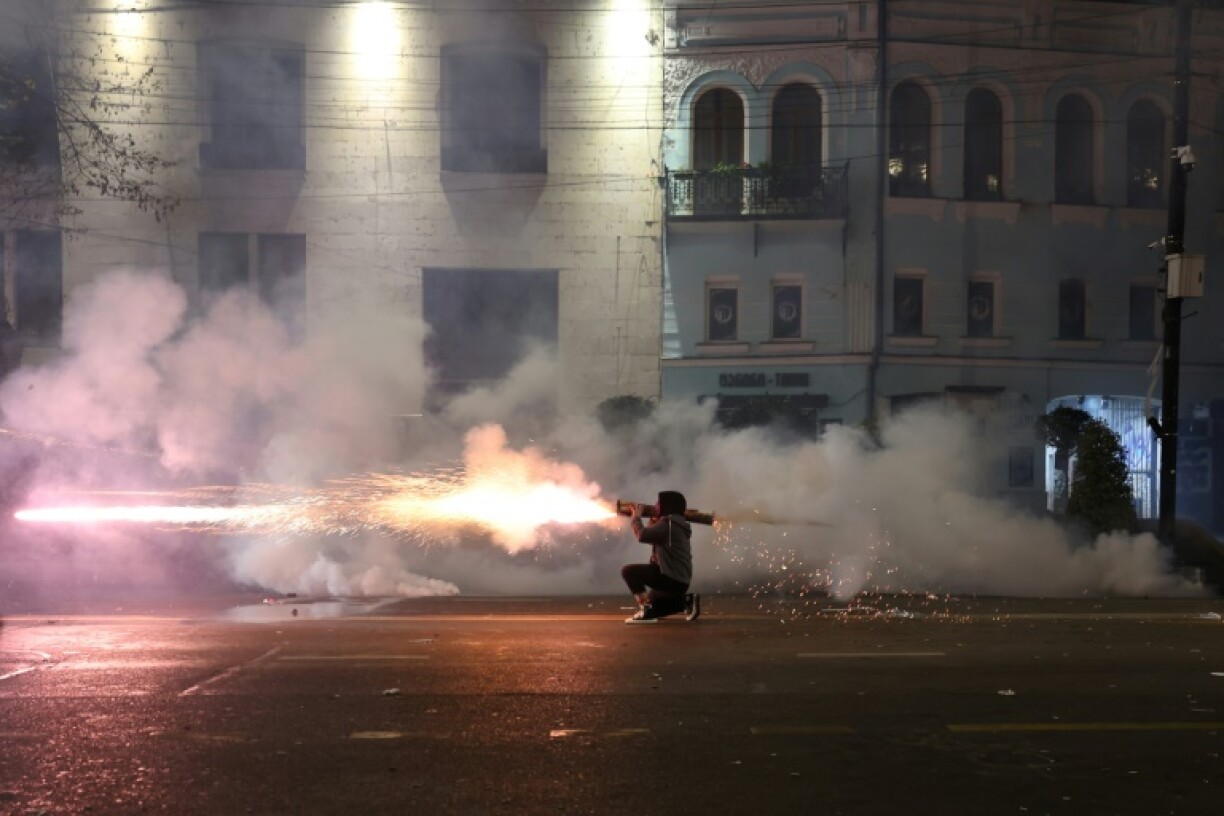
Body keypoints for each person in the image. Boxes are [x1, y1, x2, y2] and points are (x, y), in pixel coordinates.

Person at [621, 490, 700, 624]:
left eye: (659, 503)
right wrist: (653, 519)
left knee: (629, 571)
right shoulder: (674, 523)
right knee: (656, 607)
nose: (656, 506)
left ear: (667, 505)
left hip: (670, 577)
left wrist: (636, 517)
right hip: (678, 580)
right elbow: (653, 536)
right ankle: (686, 602)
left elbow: (643, 536)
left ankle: (646, 610)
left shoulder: (667, 524)